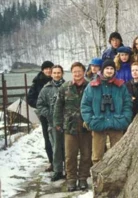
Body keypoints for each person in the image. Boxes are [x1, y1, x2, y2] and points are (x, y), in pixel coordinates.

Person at [81, 59, 132, 165]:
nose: (109, 71)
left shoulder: (121, 86)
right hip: (98, 123)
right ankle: (97, 180)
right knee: (97, 157)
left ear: (114, 71)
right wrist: (91, 121)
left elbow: (128, 104)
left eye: (111, 68)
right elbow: (85, 106)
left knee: (118, 155)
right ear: (102, 70)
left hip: (117, 123)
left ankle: (117, 179)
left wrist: (125, 119)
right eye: (107, 68)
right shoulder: (92, 86)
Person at [54, 62, 91, 192]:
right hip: (69, 127)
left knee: (86, 155)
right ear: (71, 73)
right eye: (74, 71)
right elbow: (58, 106)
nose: (77, 74)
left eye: (79, 71)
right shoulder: (65, 87)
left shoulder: (90, 86)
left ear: (83, 71)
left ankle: (82, 179)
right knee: (70, 155)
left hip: (86, 126)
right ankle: (71, 180)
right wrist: (57, 123)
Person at [36, 65, 66, 182]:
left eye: (59, 73)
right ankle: (58, 170)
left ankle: (69, 170)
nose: (57, 75)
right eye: (55, 73)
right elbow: (40, 105)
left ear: (62, 74)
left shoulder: (68, 86)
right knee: (56, 147)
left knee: (68, 147)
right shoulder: (46, 89)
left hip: (67, 122)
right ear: (51, 74)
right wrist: (49, 114)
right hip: (53, 123)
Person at [27, 61, 53, 172]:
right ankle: (52, 162)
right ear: (42, 70)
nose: (48, 71)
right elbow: (30, 99)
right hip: (44, 115)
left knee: (60, 139)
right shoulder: (37, 83)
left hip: (58, 115)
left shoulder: (57, 79)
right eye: (46, 69)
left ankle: (61, 162)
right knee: (48, 138)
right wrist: (42, 105)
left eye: (50, 68)